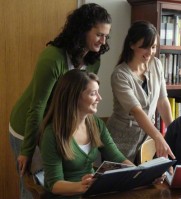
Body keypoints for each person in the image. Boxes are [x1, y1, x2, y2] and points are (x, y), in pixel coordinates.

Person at [9, 3, 112, 198]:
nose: (103, 41)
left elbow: (82, 97)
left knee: (58, 186)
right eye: (99, 34)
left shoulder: (94, 59)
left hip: (55, 127)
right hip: (27, 126)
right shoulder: (53, 58)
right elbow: (37, 107)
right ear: (82, 30)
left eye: (106, 36)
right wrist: (27, 150)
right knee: (33, 188)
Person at [39, 69, 133, 198]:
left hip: (91, 192)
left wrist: (142, 173)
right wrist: (83, 186)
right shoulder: (52, 134)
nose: (99, 98)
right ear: (74, 97)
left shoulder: (96, 124)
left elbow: (117, 158)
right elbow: (55, 185)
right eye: (93, 94)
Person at [106, 20, 175, 163]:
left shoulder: (156, 64)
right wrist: (158, 136)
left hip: (146, 140)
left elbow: (162, 101)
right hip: (120, 140)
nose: (150, 52)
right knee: (123, 181)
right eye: (145, 47)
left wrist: (174, 131)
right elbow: (137, 111)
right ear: (131, 45)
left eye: (154, 47)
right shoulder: (120, 75)